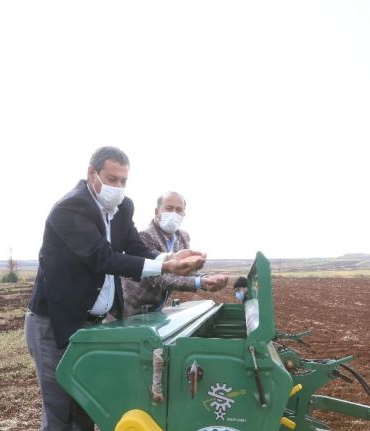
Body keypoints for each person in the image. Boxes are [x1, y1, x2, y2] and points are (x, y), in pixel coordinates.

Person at [25, 147, 206, 431]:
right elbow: (103, 258)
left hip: (92, 324)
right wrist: (164, 268)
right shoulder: (70, 209)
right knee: (59, 408)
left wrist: (167, 258)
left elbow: (134, 246)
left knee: (86, 400)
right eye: (112, 179)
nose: (118, 187)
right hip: (54, 322)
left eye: (123, 180)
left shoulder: (122, 208)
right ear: (91, 174)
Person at [122, 191, 228, 317]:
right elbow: (160, 278)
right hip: (129, 310)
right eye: (169, 208)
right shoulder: (144, 237)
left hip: (155, 310)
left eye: (179, 210)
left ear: (184, 214)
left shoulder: (183, 237)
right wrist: (200, 282)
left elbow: (187, 271)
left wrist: (208, 278)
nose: (174, 213)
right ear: (157, 212)